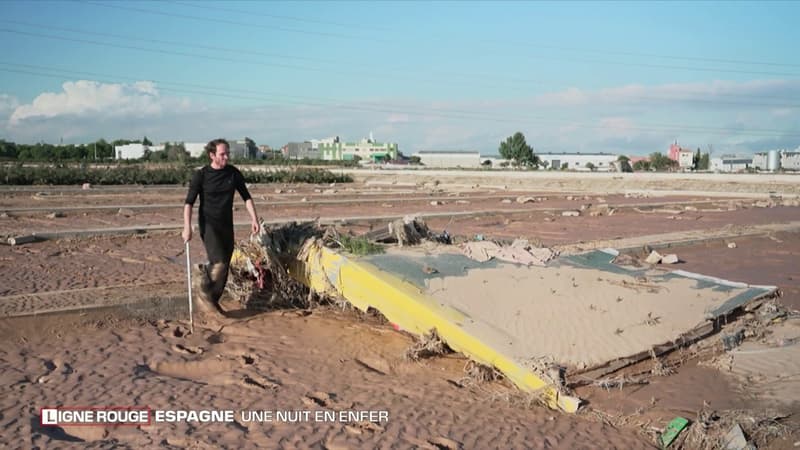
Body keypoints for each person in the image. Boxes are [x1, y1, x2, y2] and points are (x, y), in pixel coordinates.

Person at [182, 138, 260, 312]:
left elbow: (246, 197)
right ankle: (203, 288)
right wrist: (187, 227)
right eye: (222, 154)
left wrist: (254, 219)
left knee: (225, 266)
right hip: (208, 224)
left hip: (227, 225)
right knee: (219, 262)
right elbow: (189, 203)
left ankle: (211, 301)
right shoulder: (201, 175)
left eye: (227, 154)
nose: (226, 157)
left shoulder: (233, 173)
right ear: (212, 155)